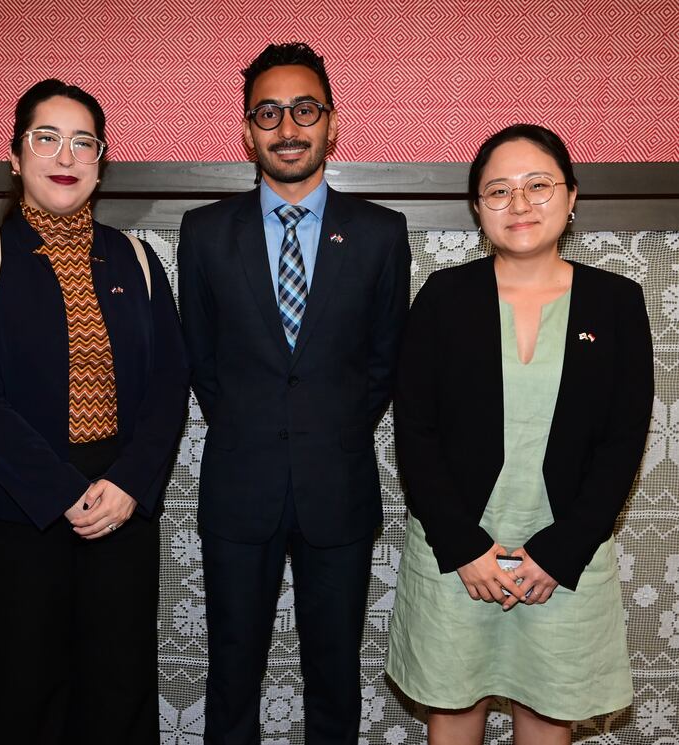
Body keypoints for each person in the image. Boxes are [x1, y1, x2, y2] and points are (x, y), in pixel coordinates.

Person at [0, 79, 189, 745]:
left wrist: (130, 482)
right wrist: (63, 492)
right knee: (28, 693)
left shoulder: (137, 258)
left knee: (120, 690)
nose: (65, 155)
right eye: (46, 137)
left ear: (101, 162)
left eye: (84, 142)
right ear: (16, 157)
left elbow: (169, 382)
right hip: (24, 509)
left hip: (122, 501)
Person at [386, 123, 654, 745]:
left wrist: (560, 553)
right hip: (458, 553)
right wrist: (463, 548)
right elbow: (415, 431)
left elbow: (623, 442)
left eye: (538, 185)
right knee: (452, 707)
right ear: (478, 208)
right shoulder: (444, 296)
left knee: (547, 708)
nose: (520, 204)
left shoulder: (616, 302)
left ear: (571, 196)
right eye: (498, 191)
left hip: (565, 554)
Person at [178, 42, 410, 744]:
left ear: (331, 123)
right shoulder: (205, 233)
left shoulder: (379, 233)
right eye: (269, 112)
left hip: (336, 487)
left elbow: (382, 365)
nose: (288, 127)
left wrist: (322, 427)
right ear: (247, 131)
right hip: (238, 487)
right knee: (231, 677)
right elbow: (204, 364)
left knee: (335, 679)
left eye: (304, 109)